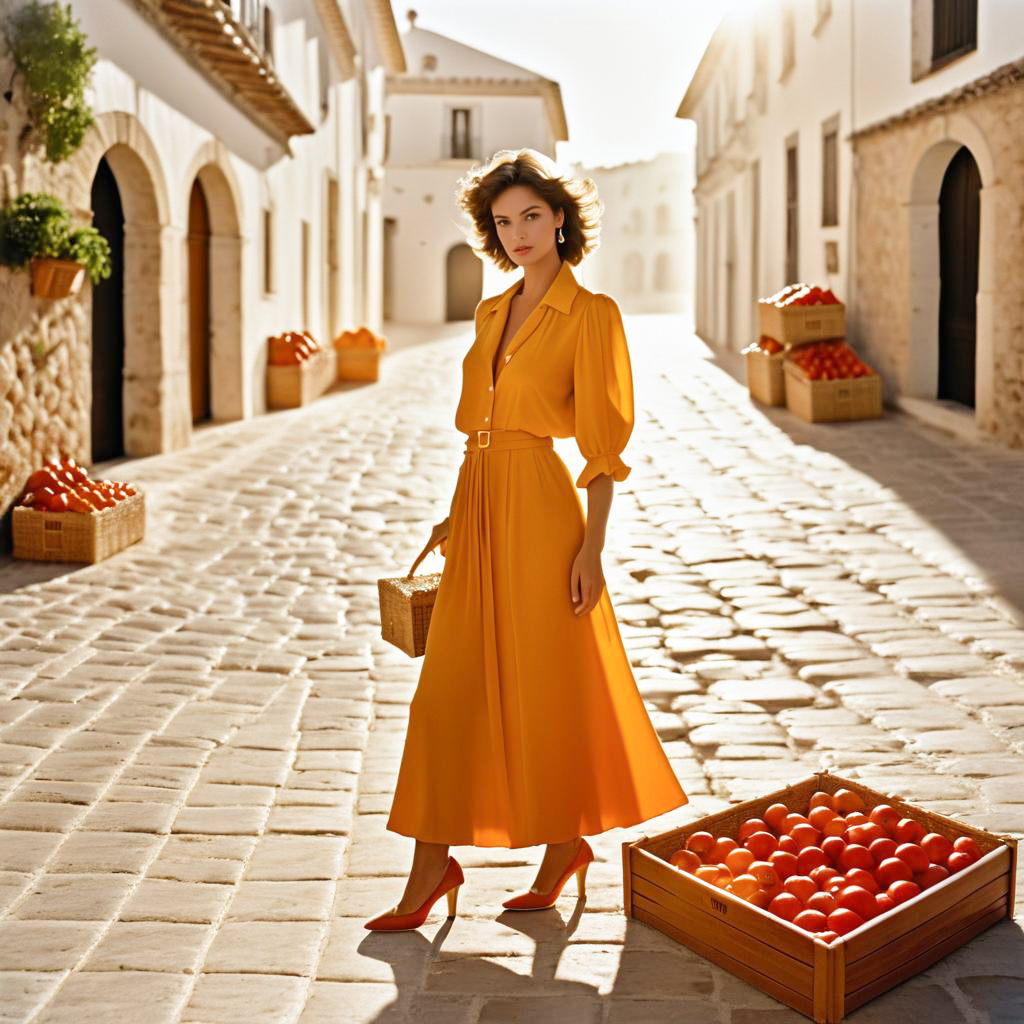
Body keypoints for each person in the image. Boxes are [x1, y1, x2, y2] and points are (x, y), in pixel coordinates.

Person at [365, 148, 688, 931]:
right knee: (445, 697)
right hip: (477, 506)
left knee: (547, 689)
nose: (517, 233)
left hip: (544, 515)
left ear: (562, 219)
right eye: (503, 221)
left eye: (531, 217)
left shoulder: (594, 314)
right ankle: (433, 864)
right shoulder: (488, 312)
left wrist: (593, 550)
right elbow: (479, 430)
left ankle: (561, 847)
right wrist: (453, 512)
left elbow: (604, 447)